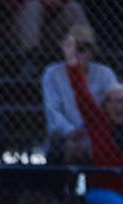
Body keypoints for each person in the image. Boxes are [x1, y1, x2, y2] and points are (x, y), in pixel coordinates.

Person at [42, 24, 118, 165]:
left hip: (98, 134)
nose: (77, 53)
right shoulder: (52, 73)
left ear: (91, 51)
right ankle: (66, 187)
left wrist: (91, 134)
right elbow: (52, 110)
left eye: (82, 49)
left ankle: (95, 184)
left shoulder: (105, 74)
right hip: (64, 135)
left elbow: (113, 107)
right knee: (67, 148)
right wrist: (70, 132)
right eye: (73, 48)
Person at [65, 35, 123, 204]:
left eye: (122, 101)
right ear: (105, 105)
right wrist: (72, 62)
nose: (118, 106)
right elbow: (82, 95)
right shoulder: (99, 123)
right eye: (113, 101)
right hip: (102, 192)